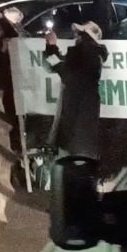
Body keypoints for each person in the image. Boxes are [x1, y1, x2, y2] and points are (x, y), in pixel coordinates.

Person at [44, 21, 109, 158]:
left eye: (80, 34)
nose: (76, 37)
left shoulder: (85, 55)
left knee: (70, 164)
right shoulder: (89, 56)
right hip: (79, 130)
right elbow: (61, 67)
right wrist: (51, 48)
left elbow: (64, 72)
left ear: (87, 38)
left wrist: (51, 47)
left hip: (75, 129)